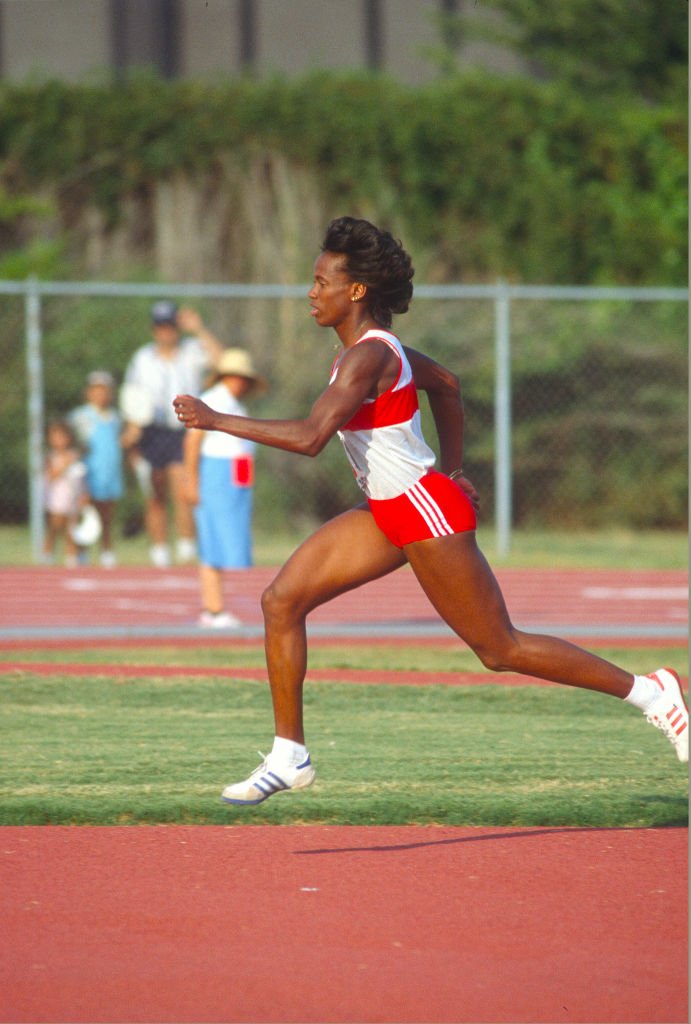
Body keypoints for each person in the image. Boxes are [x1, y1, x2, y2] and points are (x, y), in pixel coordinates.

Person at [173, 216, 688, 806]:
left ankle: (653, 692)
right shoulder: (366, 353)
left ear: (356, 291)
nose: (311, 293)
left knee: (500, 649)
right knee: (281, 602)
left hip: (423, 512)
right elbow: (445, 382)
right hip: (387, 512)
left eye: (321, 282)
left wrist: (215, 419)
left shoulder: (368, 357)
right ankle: (290, 755)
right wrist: (458, 466)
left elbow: (313, 436)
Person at [122, 301, 224, 568]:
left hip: (183, 428)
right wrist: (133, 427)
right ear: (154, 330)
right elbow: (133, 396)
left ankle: (186, 546)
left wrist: (199, 329)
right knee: (154, 491)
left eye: (170, 327)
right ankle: (159, 550)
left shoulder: (191, 351)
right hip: (152, 430)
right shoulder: (142, 358)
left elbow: (221, 360)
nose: (166, 333)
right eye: (161, 327)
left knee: (182, 488)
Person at [183, 348, 268, 628]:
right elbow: (193, 442)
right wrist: (191, 480)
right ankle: (213, 609)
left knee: (226, 541)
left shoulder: (235, 404)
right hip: (216, 475)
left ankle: (215, 607)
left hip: (235, 477)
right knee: (212, 541)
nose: (240, 382)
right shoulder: (213, 400)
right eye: (235, 376)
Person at [69, 370, 124, 568]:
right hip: (88, 474)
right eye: (96, 390)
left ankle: (106, 551)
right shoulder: (80, 416)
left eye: (104, 390)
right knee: (84, 514)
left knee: (106, 516)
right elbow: (72, 444)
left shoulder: (115, 417)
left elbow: (117, 443)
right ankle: (80, 553)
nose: (100, 394)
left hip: (109, 472)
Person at [42, 418, 87, 567]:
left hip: (73, 497)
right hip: (56, 498)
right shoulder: (50, 457)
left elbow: (81, 476)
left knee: (72, 529)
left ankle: (72, 557)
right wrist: (65, 464)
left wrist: (84, 495)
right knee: (54, 527)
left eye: (63, 437)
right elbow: (51, 476)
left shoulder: (75, 455)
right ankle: (48, 554)